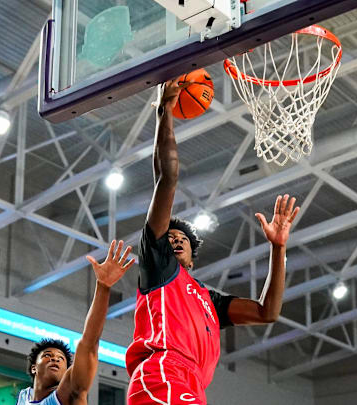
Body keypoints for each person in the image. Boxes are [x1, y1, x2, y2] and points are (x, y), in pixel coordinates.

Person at [126, 80, 300, 404]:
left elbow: (267, 313)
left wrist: (278, 249)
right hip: (163, 373)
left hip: (193, 387)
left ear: (192, 259)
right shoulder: (160, 267)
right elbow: (168, 177)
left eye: (183, 240)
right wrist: (165, 111)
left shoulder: (209, 300)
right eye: (171, 238)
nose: (176, 241)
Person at [17, 240, 135, 405]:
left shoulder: (68, 393)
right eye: (47, 356)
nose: (55, 359)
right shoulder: (23, 398)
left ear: (66, 371)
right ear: (33, 368)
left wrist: (103, 287)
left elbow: (89, 344)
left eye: (61, 359)